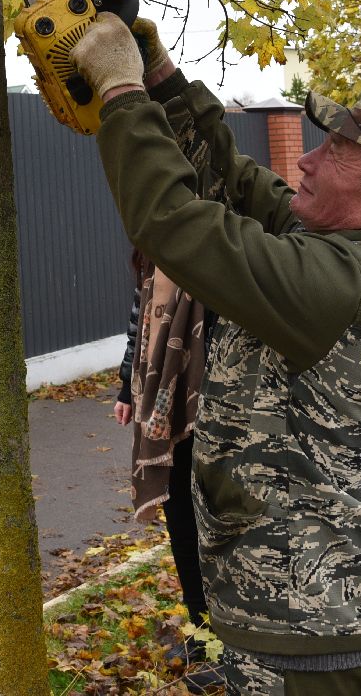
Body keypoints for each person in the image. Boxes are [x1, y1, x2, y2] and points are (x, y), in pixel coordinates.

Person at [70, 12, 361, 696]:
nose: (306, 161)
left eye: (336, 154)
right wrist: (160, 74)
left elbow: (177, 224)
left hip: (305, 626)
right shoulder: (357, 254)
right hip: (306, 602)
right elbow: (241, 184)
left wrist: (122, 95)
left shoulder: (337, 285)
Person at [114, 252, 215, 691]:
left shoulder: (220, 241)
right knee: (180, 521)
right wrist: (125, 385)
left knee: (219, 520)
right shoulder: (156, 252)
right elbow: (141, 325)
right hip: (164, 405)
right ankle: (202, 629)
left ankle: (233, 639)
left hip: (218, 405)